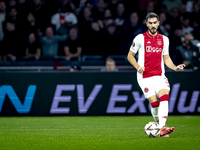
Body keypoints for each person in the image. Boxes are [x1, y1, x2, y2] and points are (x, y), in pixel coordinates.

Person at [127, 12, 185, 137]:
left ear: (158, 23)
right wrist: (137, 67)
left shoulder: (164, 40)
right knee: (154, 103)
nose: (153, 25)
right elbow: (130, 56)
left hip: (159, 75)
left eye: (155, 23)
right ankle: (160, 127)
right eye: (150, 23)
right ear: (147, 24)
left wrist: (175, 67)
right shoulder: (139, 38)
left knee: (164, 96)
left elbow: (167, 58)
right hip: (144, 77)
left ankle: (162, 128)